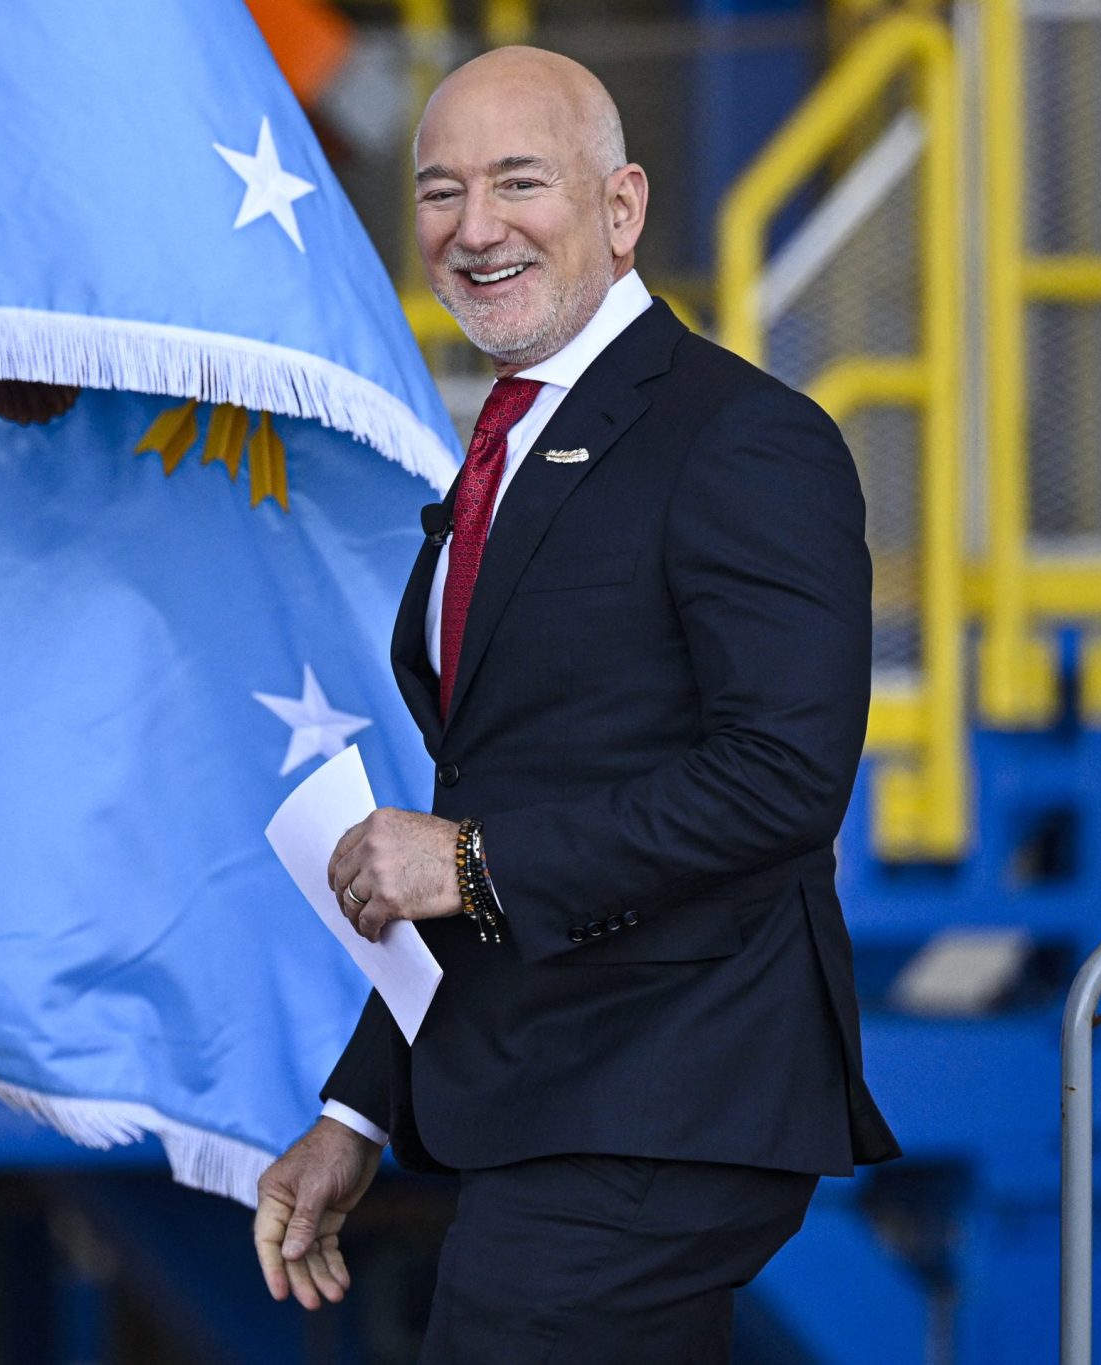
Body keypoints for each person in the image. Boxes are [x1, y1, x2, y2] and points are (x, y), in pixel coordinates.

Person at [251, 45, 898, 1362]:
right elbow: (501, 798)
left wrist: (468, 862)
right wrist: (359, 1111)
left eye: (518, 182)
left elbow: (782, 776)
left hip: (671, 1090)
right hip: (553, 1089)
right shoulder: (507, 447)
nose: (474, 227)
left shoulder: (741, 437)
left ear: (621, 207)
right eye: (441, 191)